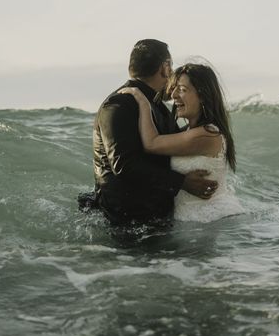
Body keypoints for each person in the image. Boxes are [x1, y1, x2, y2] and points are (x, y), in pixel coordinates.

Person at [87, 39, 219, 226]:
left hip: (153, 219)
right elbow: (124, 164)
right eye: (171, 67)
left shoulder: (156, 106)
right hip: (125, 220)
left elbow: (175, 142)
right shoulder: (120, 103)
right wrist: (182, 182)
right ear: (165, 68)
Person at [119, 62, 244, 222]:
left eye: (183, 90)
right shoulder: (187, 131)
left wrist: (143, 102)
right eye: (175, 89)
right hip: (195, 221)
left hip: (211, 220)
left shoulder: (207, 135)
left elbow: (152, 144)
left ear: (202, 96)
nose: (174, 96)